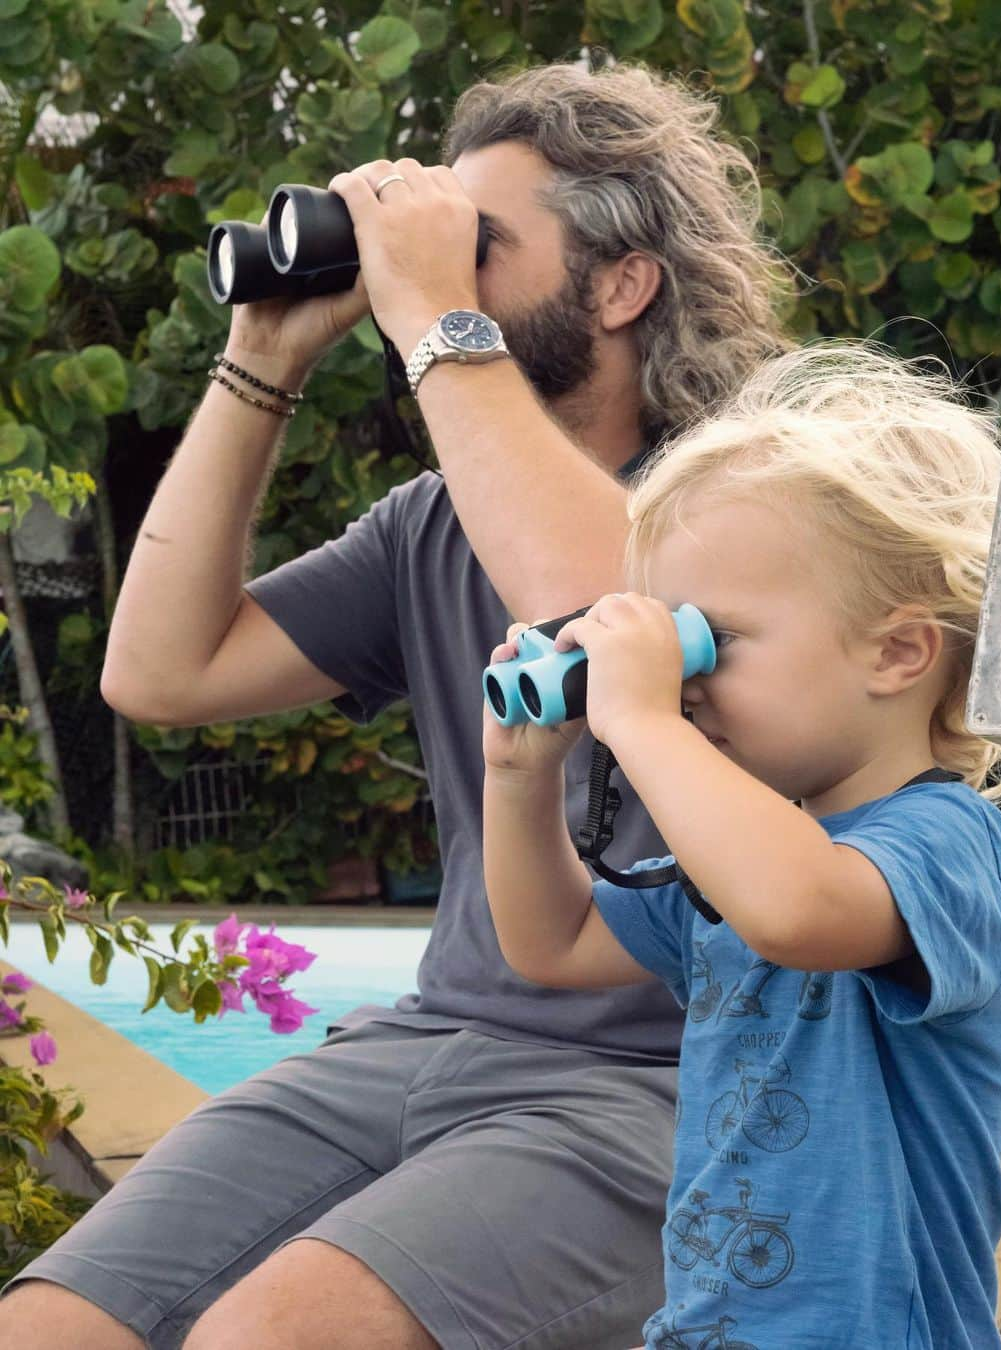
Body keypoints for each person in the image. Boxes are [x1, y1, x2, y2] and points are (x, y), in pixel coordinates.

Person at [0, 62, 791, 1350]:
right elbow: (156, 673)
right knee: (52, 1322)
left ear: (621, 283)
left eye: (482, 245)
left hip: (667, 1080)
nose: (435, 272)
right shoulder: (433, 525)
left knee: (272, 1336)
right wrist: (262, 354)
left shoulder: (757, 501)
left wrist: (429, 306)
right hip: (438, 1039)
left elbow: (598, 602)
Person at [482, 341, 1001, 1349]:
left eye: (710, 641)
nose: (684, 678)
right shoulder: (744, 853)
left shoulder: (948, 841)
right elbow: (554, 944)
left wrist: (648, 724)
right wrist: (518, 776)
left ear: (896, 652)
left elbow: (801, 911)